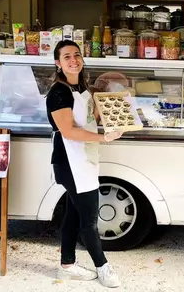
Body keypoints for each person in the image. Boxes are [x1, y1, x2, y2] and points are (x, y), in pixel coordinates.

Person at [46, 40, 122, 288]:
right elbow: (68, 131)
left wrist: (117, 103)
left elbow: (91, 117)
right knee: (89, 219)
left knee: (73, 213)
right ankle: (103, 268)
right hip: (71, 162)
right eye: (66, 56)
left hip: (86, 158)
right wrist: (104, 137)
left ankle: (67, 265)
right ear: (58, 63)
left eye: (77, 55)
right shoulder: (58, 93)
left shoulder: (83, 88)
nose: (73, 60)